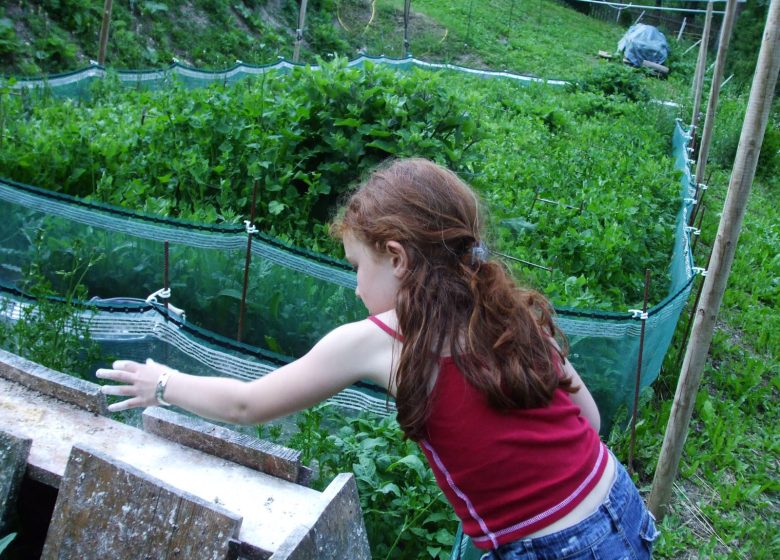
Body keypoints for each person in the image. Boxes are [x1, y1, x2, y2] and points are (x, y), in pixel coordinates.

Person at [96, 158, 659, 559]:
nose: (355, 286)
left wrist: (164, 382)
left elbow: (248, 402)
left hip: (550, 548)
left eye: (355, 266)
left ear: (396, 257)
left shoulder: (379, 339)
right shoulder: (512, 312)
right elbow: (589, 422)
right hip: (620, 505)